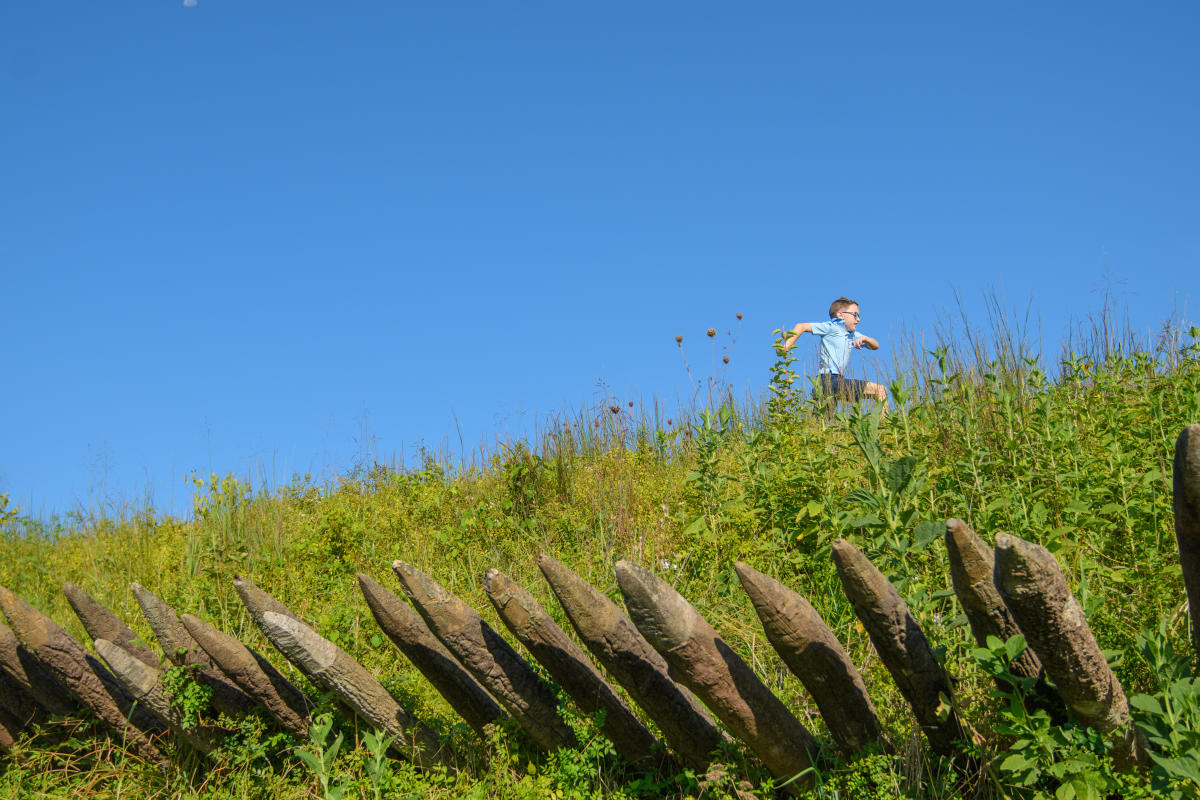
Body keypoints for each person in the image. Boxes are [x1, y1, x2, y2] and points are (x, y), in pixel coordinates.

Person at [783, 296, 889, 411]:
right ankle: (885, 427)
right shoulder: (832, 327)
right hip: (829, 379)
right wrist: (786, 346)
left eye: (858, 316)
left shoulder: (852, 335)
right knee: (880, 390)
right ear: (840, 315)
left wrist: (865, 339)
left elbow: (875, 346)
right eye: (855, 315)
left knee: (821, 423)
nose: (858, 319)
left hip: (830, 383)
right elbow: (801, 326)